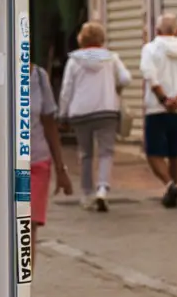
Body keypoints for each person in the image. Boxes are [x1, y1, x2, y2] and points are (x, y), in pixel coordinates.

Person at [58, 22, 130, 211]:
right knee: (106, 152)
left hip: (80, 112)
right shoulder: (112, 58)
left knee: (86, 153)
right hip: (107, 110)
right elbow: (126, 78)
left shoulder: (74, 61)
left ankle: (87, 194)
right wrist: (115, 89)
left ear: (81, 39)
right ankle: (102, 190)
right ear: (102, 39)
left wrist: (62, 114)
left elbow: (66, 89)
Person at [139, 11, 177, 208]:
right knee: (175, 153)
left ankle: (169, 185)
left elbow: (150, 77)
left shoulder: (149, 49)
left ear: (156, 31)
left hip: (156, 110)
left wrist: (164, 100)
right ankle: (173, 189)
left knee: (153, 153)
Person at [29, 59, 72, 260]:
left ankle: (24, 287)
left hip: (35, 164)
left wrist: (61, 169)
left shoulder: (38, 76)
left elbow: (49, 125)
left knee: (27, 229)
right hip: (3, 167)